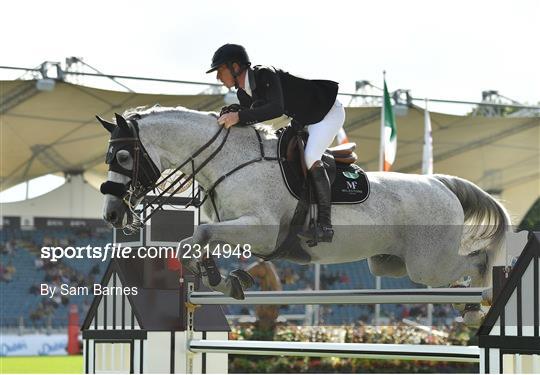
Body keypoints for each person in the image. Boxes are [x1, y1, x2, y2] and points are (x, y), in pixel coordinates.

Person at [206, 43, 345, 242]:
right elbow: (251, 116)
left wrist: (239, 116)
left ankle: (325, 225)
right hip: (304, 119)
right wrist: (233, 112)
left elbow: (276, 108)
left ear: (235, 67)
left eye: (220, 70)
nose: (218, 77)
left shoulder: (264, 74)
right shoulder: (242, 93)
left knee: (311, 156)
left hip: (327, 112)